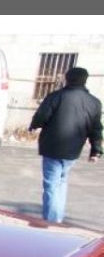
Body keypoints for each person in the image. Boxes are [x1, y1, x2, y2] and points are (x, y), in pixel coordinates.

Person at [29, 67, 102, 223]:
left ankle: (51, 221)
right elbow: (96, 128)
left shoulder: (56, 97)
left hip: (52, 147)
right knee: (61, 183)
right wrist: (96, 150)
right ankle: (57, 218)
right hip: (73, 150)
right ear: (85, 80)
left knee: (51, 185)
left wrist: (34, 125)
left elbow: (42, 115)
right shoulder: (94, 103)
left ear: (67, 79)